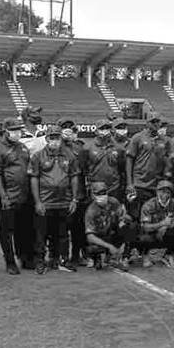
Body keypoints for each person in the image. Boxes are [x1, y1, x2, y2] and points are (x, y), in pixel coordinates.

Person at [29, 126, 79, 274]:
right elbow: (34, 179)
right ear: (47, 139)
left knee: (63, 234)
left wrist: (74, 199)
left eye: (57, 138)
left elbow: (74, 177)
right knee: (41, 234)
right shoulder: (38, 156)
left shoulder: (69, 155)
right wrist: (37, 202)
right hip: (45, 202)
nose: (55, 141)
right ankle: (40, 261)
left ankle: (61, 259)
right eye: (52, 138)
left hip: (64, 201)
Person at [0, 118, 34, 274]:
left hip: (24, 195)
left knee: (25, 228)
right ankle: (10, 262)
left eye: (19, 130)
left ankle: (24, 257)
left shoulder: (22, 147)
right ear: (6, 131)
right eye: (14, 131)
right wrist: (3, 195)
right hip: (8, 195)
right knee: (7, 231)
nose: (18, 133)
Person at [126, 113, 170, 221]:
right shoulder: (138, 138)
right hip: (139, 184)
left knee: (153, 216)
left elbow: (168, 162)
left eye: (157, 122)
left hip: (156, 185)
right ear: (147, 123)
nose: (155, 124)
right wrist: (130, 183)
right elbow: (129, 160)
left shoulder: (165, 140)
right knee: (136, 217)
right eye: (152, 122)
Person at [138, 180, 174, 268]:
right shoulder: (149, 205)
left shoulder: (173, 203)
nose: (164, 194)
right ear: (157, 192)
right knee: (143, 238)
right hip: (152, 233)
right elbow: (146, 227)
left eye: (167, 192)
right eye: (162, 191)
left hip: (165, 232)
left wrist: (167, 226)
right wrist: (161, 224)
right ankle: (145, 255)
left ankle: (168, 255)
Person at [59, 117, 89, 268]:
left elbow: (85, 172)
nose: (68, 130)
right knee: (62, 229)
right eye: (64, 127)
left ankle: (77, 256)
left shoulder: (80, 149)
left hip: (79, 194)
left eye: (71, 128)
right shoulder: (54, 148)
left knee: (78, 229)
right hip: (60, 195)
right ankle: (61, 257)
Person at [84, 182, 133, 271]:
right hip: (99, 237)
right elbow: (90, 236)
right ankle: (97, 258)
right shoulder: (91, 212)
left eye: (103, 193)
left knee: (129, 228)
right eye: (98, 194)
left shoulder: (113, 202)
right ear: (93, 195)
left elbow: (123, 216)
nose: (102, 196)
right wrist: (109, 246)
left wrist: (125, 217)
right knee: (92, 248)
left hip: (110, 232)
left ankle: (121, 257)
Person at [82, 119, 126, 201]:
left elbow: (121, 167)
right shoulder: (87, 147)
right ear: (96, 131)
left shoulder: (119, 148)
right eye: (102, 128)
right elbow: (84, 168)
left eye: (107, 128)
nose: (105, 131)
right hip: (96, 187)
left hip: (114, 187)